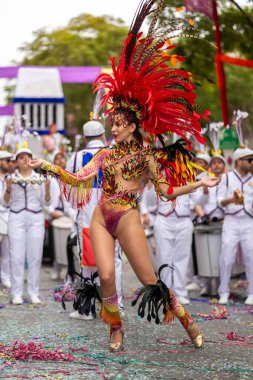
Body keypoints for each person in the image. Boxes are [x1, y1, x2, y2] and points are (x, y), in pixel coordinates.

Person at [26, 0, 221, 352]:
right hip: (103, 215)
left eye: (118, 123)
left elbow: (165, 191)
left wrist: (201, 182)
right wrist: (50, 168)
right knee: (105, 275)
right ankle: (115, 329)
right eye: (111, 122)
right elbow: (77, 179)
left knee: (150, 281)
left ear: (132, 126)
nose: (112, 127)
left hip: (128, 216)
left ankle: (187, 322)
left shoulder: (147, 156)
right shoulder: (102, 154)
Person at [66, 119, 124, 320]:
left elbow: (68, 184)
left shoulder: (77, 157)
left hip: (88, 214)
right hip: (112, 211)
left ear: (84, 137)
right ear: (102, 135)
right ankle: (117, 305)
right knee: (114, 257)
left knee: (88, 259)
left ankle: (86, 308)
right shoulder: (114, 154)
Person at [2, 148, 51, 304]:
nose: (25, 159)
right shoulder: (10, 178)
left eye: (28, 157)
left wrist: (48, 188)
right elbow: (4, 202)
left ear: (32, 160)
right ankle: (16, 292)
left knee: (35, 257)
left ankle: (33, 292)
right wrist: (9, 188)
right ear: (16, 161)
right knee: (16, 256)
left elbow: (47, 202)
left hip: (35, 217)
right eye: (21, 157)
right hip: (16, 217)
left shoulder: (39, 178)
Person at [217, 147, 253, 305]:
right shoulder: (226, 178)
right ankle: (223, 291)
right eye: (249, 160)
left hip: (248, 221)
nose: (252, 163)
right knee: (226, 257)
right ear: (239, 161)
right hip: (231, 221)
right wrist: (231, 199)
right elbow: (219, 201)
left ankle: (251, 292)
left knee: (251, 256)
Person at [0, 150, 13, 288]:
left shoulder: (12, 178)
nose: (10, 164)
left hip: (8, 217)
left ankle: (5, 277)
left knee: (7, 250)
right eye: (7, 160)